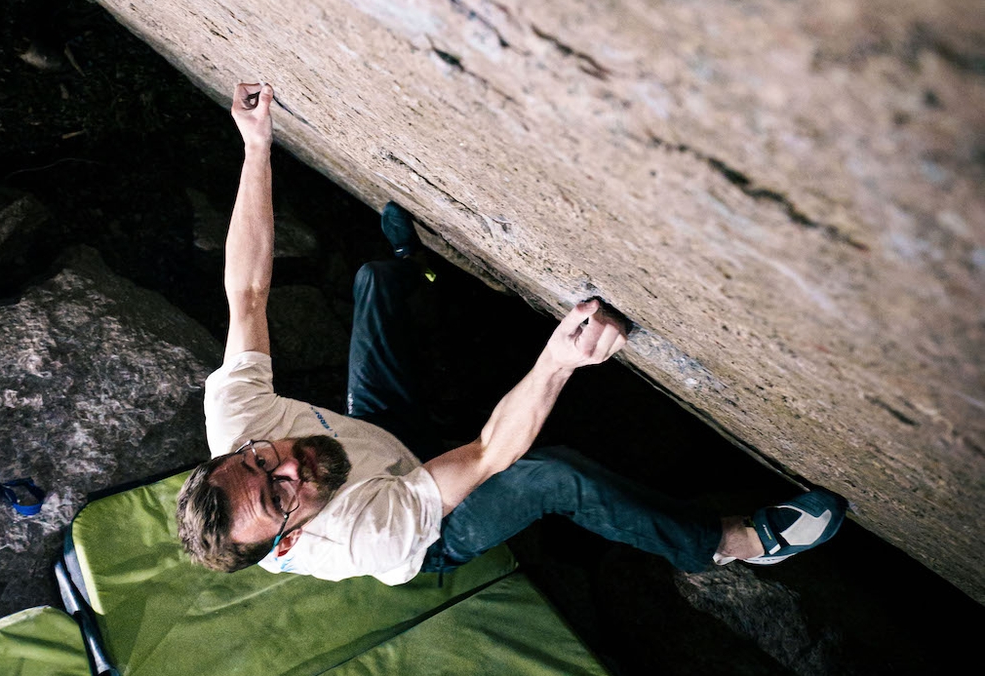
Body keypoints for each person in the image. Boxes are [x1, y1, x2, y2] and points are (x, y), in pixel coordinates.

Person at [176, 81, 848, 582]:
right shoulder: (365, 538)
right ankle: (727, 544)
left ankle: (419, 269)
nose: (286, 464)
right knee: (551, 476)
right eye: (277, 493)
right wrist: (560, 360)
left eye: (261, 459)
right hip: (430, 522)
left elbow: (249, 290)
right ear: (286, 539)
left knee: (376, 284)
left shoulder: (237, 420)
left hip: (378, 438)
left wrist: (257, 145)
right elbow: (489, 454)